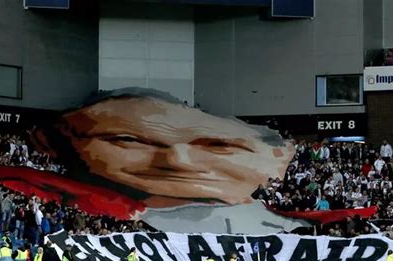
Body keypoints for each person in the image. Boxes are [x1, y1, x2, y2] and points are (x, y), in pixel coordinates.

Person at [26, 87, 300, 234]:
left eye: (216, 144)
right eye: (128, 139)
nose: (177, 159)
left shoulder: (284, 227)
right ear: (50, 142)